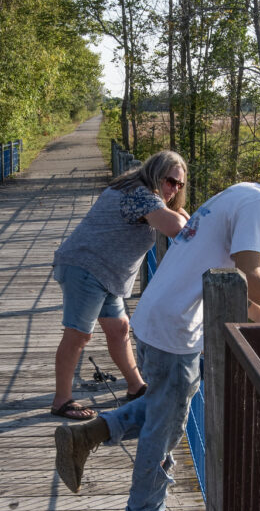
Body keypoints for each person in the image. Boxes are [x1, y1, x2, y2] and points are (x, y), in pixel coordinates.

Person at [53, 154, 260, 511]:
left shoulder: (243, 192)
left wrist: (259, 314)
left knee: (169, 404)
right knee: (166, 425)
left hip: (161, 318)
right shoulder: (258, 205)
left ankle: (85, 436)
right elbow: (249, 274)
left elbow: (224, 269)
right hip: (174, 327)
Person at [49, 150, 189, 420]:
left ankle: (136, 387)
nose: (174, 188)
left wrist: (178, 213)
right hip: (87, 267)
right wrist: (181, 215)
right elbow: (177, 228)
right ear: (155, 175)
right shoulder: (139, 195)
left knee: (120, 328)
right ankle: (61, 400)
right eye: (170, 181)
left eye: (180, 184)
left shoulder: (138, 192)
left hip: (105, 273)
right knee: (78, 335)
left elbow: (176, 221)